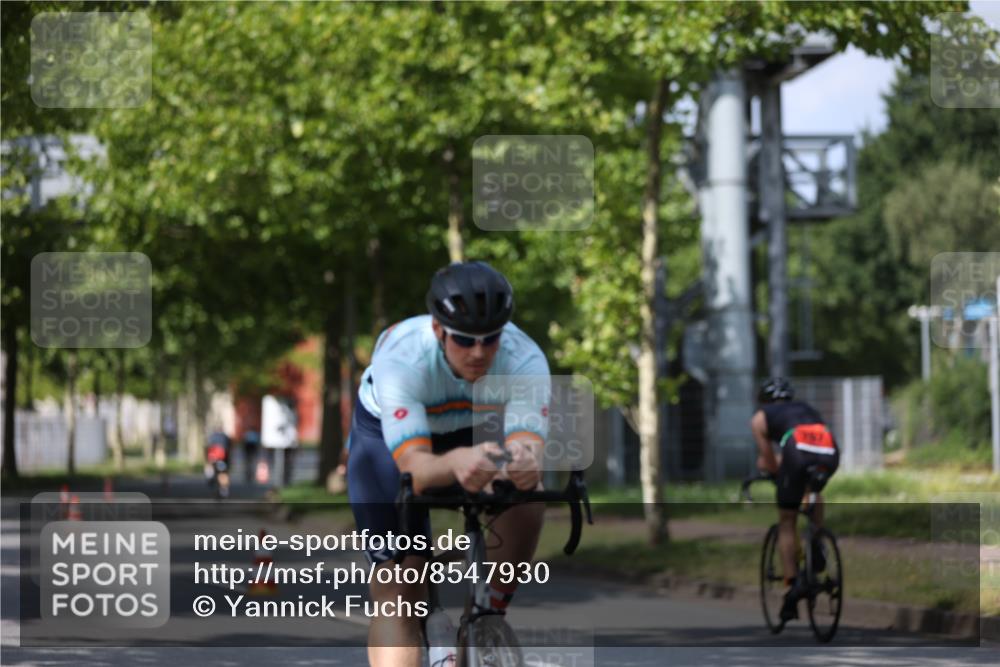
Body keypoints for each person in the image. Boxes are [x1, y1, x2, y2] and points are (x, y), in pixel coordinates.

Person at [347, 261, 549, 667]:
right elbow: (416, 468)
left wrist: (523, 464)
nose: (478, 352)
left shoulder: (523, 358)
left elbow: (527, 445)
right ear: (439, 330)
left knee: (528, 498)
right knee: (400, 590)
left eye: (491, 339)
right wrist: (457, 461)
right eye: (464, 339)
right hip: (388, 441)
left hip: (470, 427)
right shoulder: (404, 359)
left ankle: (487, 615)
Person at [751, 377, 840, 623]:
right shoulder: (808, 409)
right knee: (812, 489)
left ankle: (793, 586)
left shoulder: (760, 417)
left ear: (764, 400)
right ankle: (817, 539)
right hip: (830, 450)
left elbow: (769, 461)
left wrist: (774, 473)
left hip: (797, 452)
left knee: (787, 520)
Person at [204, 430, 232, 498]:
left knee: (210, 466)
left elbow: (208, 446)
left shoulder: (212, 436)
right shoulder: (225, 436)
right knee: (223, 473)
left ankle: (210, 476)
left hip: (213, 456)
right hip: (223, 457)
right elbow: (229, 447)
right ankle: (224, 489)